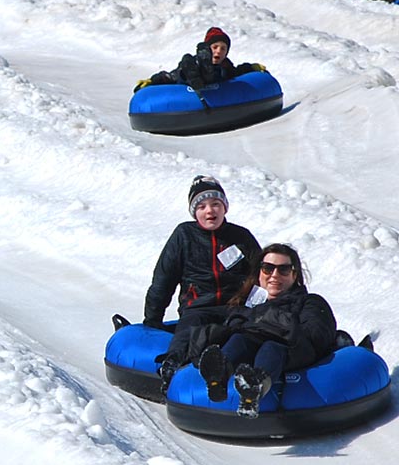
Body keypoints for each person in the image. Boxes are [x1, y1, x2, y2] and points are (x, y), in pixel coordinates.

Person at [193, 244, 338, 417]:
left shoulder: (309, 302)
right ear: (259, 273)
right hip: (250, 345)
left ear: (295, 275)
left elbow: (317, 334)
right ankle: (219, 375)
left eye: (283, 270)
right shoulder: (246, 305)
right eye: (268, 268)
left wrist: (281, 327)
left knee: (270, 346)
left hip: (289, 349)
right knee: (240, 339)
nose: (274, 275)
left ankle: (255, 387)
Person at [143, 175, 262, 383]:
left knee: (246, 332)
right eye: (202, 206)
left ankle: (243, 375)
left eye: (216, 204)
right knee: (190, 329)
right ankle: (172, 366)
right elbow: (164, 278)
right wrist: (152, 320)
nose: (210, 211)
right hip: (198, 307)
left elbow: (260, 276)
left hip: (235, 306)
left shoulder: (241, 237)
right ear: (194, 212)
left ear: (225, 208)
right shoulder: (184, 235)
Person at [139, 27, 244, 92]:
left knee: (217, 73)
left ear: (226, 53)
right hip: (190, 78)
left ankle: (207, 73)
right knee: (187, 65)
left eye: (223, 49)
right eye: (215, 47)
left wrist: (252, 67)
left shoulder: (226, 66)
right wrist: (151, 81)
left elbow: (238, 72)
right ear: (208, 48)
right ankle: (200, 71)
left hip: (215, 82)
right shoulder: (194, 62)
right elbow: (170, 77)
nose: (218, 51)